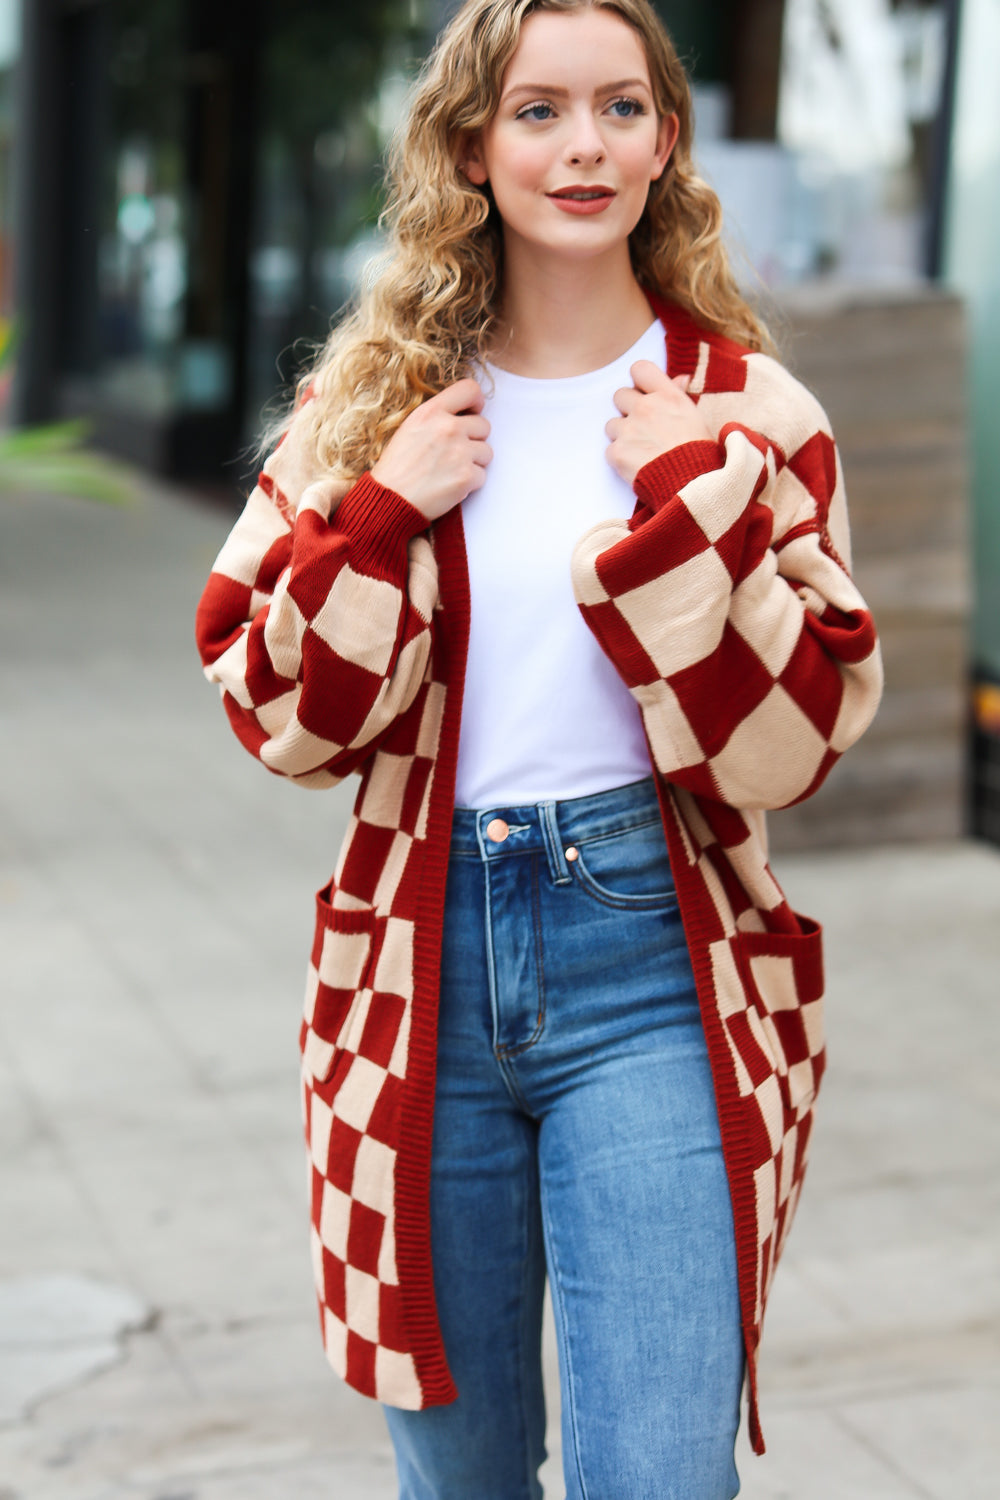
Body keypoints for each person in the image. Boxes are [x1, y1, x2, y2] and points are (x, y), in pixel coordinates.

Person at [195, 2, 883, 1495]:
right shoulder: (368, 409)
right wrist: (381, 512)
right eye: (539, 111)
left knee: (662, 1475)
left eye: (621, 108)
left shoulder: (747, 414)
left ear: (668, 139)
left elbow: (796, 745)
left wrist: (683, 503)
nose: (585, 147)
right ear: (470, 147)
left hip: (656, 963)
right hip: (415, 964)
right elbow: (274, 711)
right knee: (463, 1478)